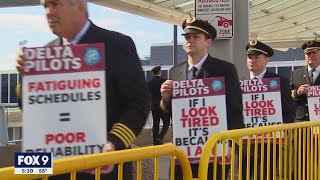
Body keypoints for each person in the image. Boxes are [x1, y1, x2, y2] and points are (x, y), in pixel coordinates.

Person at [15, 0, 150, 179]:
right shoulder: (46, 52)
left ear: (78, 6)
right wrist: (26, 77)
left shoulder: (116, 44)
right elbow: (32, 110)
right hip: (56, 170)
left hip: (101, 169)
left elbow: (138, 103)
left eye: (55, 4)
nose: (48, 11)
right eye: (45, 6)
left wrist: (114, 143)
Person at [160, 17, 244, 180]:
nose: (190, 40)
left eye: (196, 37)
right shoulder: (176, 71)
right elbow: (173, 112)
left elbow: (235, 108)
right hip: (184, 148)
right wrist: (166, 99)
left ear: (208, 41)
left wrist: (232, 146)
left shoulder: (224, 69)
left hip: (215, 149)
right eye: (187, 37)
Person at [242, 40, 295, 179]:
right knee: (245, 174)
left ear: (266, 59)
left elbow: (289, 110)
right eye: (249, 57)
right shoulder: (240, 82)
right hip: (244, 141)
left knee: (266, 173)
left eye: (256, 57)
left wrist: (278, 130)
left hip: (269, 142)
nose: (252, 60)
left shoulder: (279, 81)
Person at [290, 39, 320, 180]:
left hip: (319, 125)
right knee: (301, 161)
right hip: (301, 125)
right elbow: (287, 96)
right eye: (307, 53)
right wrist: (297, 92)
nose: (310, 56)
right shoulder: (296, 73)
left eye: (313, 53)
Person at [148, 66, 170, 145]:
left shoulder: (149, 83)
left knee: (155, 124)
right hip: (162, 106)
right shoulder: (164, 81)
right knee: (166, 122)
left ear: (153, 73)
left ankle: (155, 141)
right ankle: (160, 137)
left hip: (154, 107)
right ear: (159, 72)